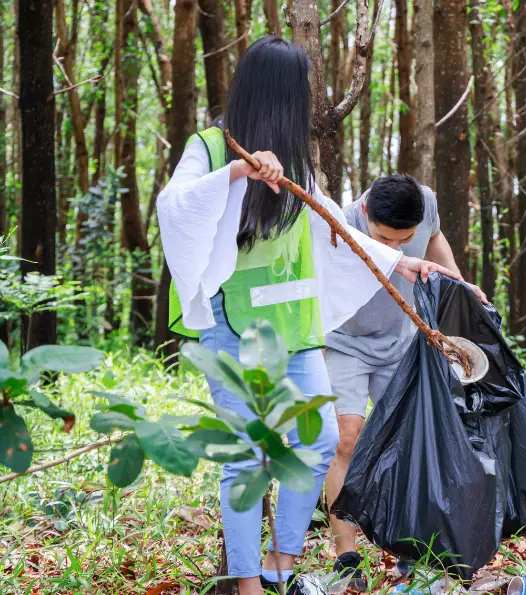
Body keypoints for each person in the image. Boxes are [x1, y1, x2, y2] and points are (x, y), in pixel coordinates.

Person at [157, 37, 452, 595]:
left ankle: (280, 567)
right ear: (279, 92)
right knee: (246, 458)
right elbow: (175, 205)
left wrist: (401, 263)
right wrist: (239, 173)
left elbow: (330, 227)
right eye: (301, 90)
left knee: (316, 445)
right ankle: (248, 586)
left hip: (293, 325)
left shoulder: (296, 159)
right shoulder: (213, 146)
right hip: (231, 324)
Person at [323, 174, 486, 590]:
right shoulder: (339, 223)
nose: (396, 248)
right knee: (346, 437)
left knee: (412, 439)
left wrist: (458, 281)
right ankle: (347, 556)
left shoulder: (426, 202)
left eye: (404, 239)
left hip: (402, 340)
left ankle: (410, 551)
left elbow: (434, 238)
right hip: (346, 341)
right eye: (385, 239)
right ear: (365, 213)